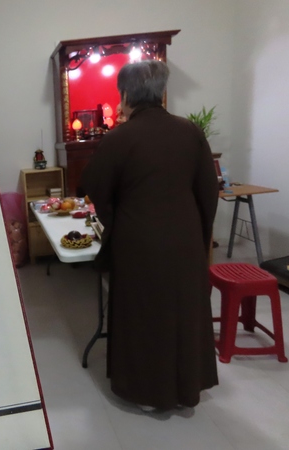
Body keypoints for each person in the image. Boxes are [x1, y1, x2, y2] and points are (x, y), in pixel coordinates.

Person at [81, 60, 219, 411]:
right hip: (185, 237)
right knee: (183, 313)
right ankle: (186, 389)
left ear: (126, 95)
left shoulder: (118, 138)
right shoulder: (190, 132)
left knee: (143, 316)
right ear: (160, 93)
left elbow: (96, 188)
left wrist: (114, 223)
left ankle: (146, 393)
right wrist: (200, 236)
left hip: (137, 239)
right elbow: (208, 192)